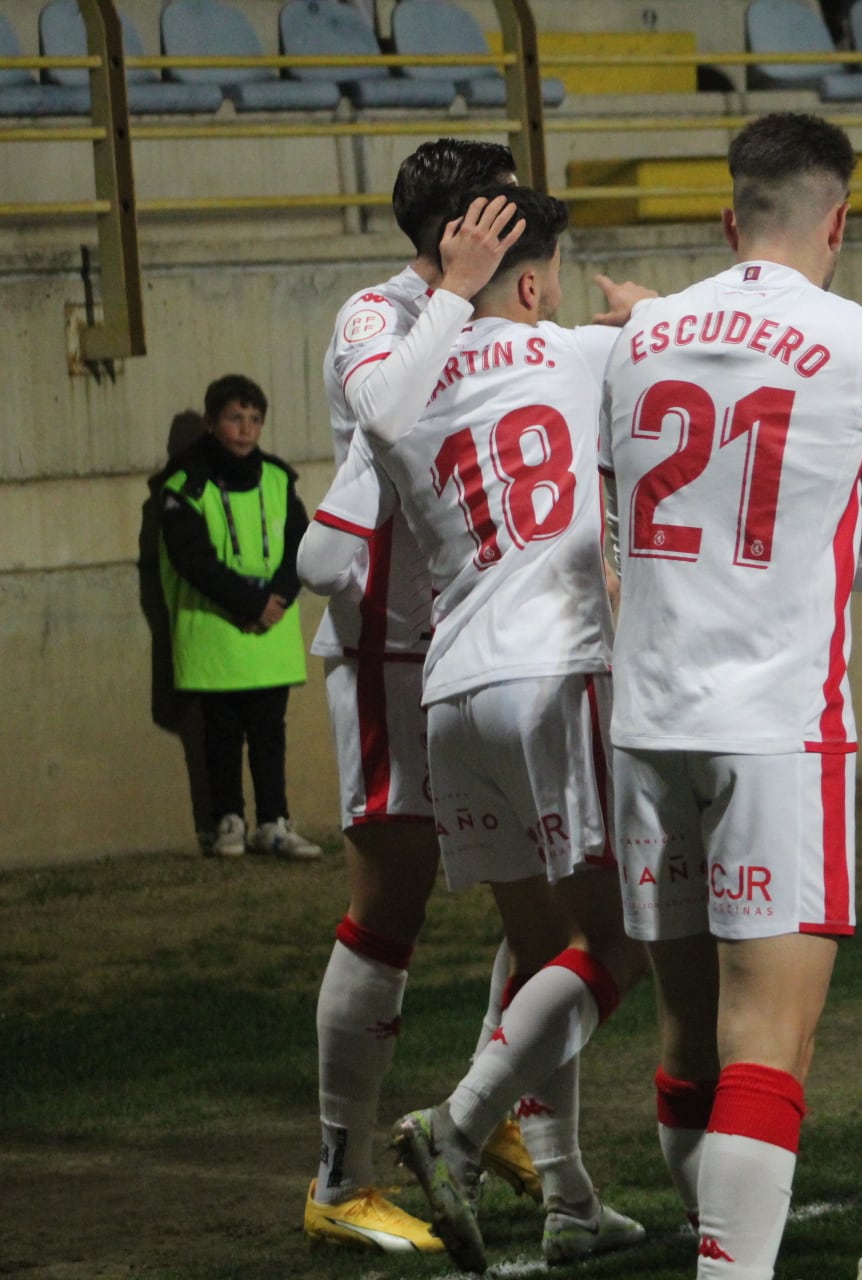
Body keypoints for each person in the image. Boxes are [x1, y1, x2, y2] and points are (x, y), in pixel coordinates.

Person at [601, 111, 862, 1280]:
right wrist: (812, 562)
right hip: (777, 729)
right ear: (839, 220)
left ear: (726, 214)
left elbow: (622, 523)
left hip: (647, 721)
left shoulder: (641, 332)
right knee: (772, 1037)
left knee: (686, 1031)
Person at [301, 186, 650, 1273]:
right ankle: (357, 1167)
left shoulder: (466, 363)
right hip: (441, 662)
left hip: (456, 669)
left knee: (551, 925)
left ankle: (566, 1186)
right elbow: (323, 559)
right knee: (572, 928)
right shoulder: (385, 330)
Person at [301, 136, 540, 1257]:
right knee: (390, 906)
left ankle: (485, 1107)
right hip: (395, 651)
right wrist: (452, 292)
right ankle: (342, 1175)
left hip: (485, 644)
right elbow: (387, 411)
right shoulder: (374, 316)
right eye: (501, 218)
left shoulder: (491, 316)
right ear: (461, 230)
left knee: (547, 879)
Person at [156, 373, 318, 861]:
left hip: (269, 633)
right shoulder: (185, 482)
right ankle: (227, 820)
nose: (245, 430)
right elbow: (191, 556)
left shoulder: (276, 477)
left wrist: (279, 598)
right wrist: (251, 604)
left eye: (254, 420)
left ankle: (274, 821)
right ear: (211, 423)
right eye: (234, 418)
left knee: (270, 732)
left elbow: (301, 544)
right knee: (220, 734)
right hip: (217, 633)